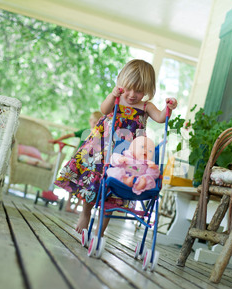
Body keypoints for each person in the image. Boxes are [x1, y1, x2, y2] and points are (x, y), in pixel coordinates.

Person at [54, 59, 177, 236]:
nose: (133, 94)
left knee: (114, 191)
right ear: (120, 82)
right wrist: (113, 96)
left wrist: (169, 108)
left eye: (139, 90)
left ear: (147, 90)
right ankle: (85, 213)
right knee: (93, 181)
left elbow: (160, 117)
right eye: (128, 88)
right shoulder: (117, 98)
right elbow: (104, 110)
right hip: (102, 148)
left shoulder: (145, 106)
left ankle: (100, 232)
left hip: (126, 154)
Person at [50, 111, 102, 213]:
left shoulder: (99, 135)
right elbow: (70, 135)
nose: (94, 124)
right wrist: (56, 140)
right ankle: (68, 204)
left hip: (90, 164)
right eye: (93, 122)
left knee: (84, 185)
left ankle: (76, 207)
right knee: (73, 181)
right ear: (90, 121)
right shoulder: (85, 131)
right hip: (79, 161)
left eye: (97, 122)